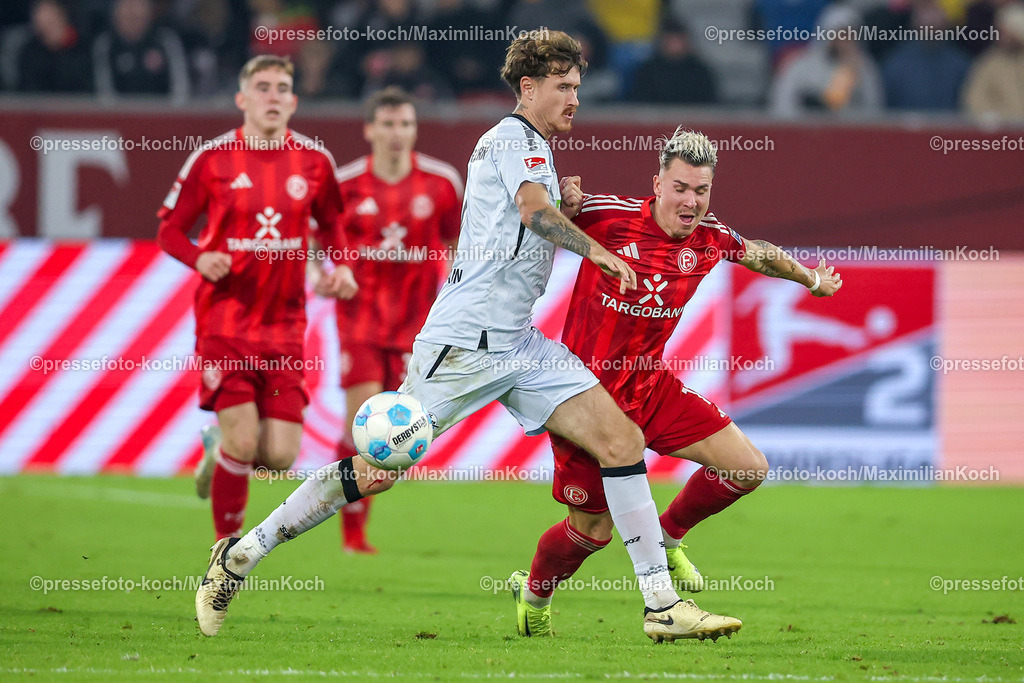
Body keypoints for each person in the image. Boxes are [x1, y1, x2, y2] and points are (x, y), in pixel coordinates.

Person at [195, 30, 740, 644]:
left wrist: (567, 200)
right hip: (465, 343)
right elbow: (535, 213)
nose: (575, 100)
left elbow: (530, 213)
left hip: (519, 344)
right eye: (564, 88)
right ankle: (238, 558)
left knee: (621, 440)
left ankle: (660, 606)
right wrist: (597, 250)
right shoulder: (515, 138)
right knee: (377, 471)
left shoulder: (529, 147)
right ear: (528, 89)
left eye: (578, 88)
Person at [509, 127, 843, 638]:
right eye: (682, 188)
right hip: (583, 398)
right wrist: (565, 199)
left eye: (702, 191)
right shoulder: (611, 215)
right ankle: (534, 594)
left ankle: (667, 535)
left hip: (651, 387)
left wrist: (811, 280)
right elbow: (541, 216)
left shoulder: (710, 240)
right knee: (592, 531)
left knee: (747, 469)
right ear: (658, 185)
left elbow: (759, 253)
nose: (691, 202)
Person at [157, 54, 357, 542]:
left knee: (280, 455)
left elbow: (333, 223)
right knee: (243, 442)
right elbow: (170, 230)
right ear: (242, 99)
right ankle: (223, 553)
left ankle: (215, 448)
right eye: (262, 86)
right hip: (225, 322)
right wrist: (200, 260)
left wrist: (342, 266)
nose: (272, 95)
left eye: (281, 87)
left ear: (293, 101)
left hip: (285, 326)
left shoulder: (314, 162)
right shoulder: (212, 160)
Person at [312, 86, 463, 553]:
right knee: (362, 426)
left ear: (414, 129)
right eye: (389, 124)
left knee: (396, 438)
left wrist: (458, 304)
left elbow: (459, 249)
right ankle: (352, 533)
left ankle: (353, 522)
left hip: (417, 328)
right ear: (370, 129)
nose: (398, 133)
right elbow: (320, 247)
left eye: (406, 124)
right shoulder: (345, 184)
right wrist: (325, 276)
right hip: (359, 322)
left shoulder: (440, 184)